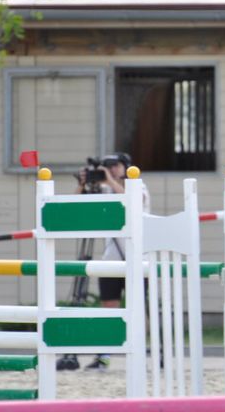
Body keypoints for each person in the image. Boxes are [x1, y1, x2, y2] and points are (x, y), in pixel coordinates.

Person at [79, 152, 151, 370]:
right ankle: (104, 355)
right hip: (111, 259)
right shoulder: (104, 189)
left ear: (127, 167)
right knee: (109, 308)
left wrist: (108, 181)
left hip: (138, 258)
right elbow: (81, 207)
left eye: (115, 166)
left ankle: (145, 349)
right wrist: (85, 184)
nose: (111, 170)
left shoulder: (138, 186)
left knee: (139, 308)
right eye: (107, 166)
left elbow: (133, 202)